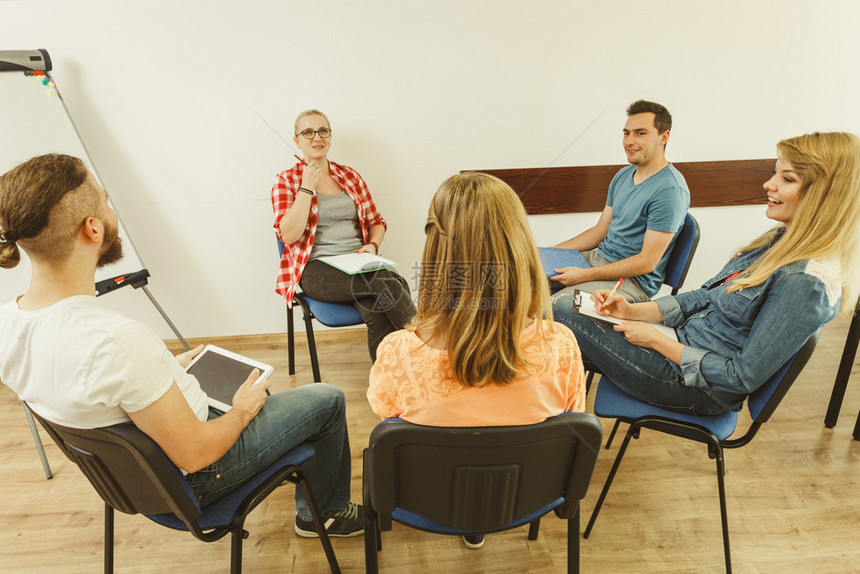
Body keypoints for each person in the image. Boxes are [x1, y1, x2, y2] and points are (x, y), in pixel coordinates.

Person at [0, 154, 363, 539]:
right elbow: (196, 454)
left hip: (131, 481)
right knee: (327, 399)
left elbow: (88, 387)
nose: (112, 211)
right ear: (92, 228)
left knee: (257, 387)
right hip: (198, 477)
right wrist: (240, 413)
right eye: (106, 202)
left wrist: (164, 369)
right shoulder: (118, 341)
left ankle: (292, 468)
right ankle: (322, 514)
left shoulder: (8, 322)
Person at [554, 132, 860, 415]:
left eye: (787, 178)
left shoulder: (806, 284)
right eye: (774, 173)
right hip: (679, 342)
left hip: (694, 386)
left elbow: (740, 379)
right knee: (559, 329)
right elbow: (705, 297)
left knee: (559, 312)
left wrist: (657, 341)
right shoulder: (779, 242)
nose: (770, 184)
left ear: (824, 196)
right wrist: (633, 310)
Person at [368, 172, 587, 549]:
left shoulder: (397, 353)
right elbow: (571, 419)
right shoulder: (561, 345)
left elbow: (386, 417)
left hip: (429, 500)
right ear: (519, 246)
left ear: (436, 250)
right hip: (526, 497)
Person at [272, 109, 413, 362]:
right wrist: (307, 186)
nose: (317, 138)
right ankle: (424, 350)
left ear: (330, 136)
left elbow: (376, 222)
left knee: (377, 304)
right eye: (308, 132)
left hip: (359, 261)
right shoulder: (286, 181)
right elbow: (289, 236)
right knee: (393, 282)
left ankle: (388, 382)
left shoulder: (350, 176)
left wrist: (371, 244)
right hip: (316, 269)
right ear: (297, 140)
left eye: (323, 131)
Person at [549, 100, 690, 303]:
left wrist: (582, 276)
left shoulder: (670, 190)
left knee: (556, 305)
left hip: (632, 282)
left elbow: (646, 262)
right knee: (519, 275)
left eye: (640, 133)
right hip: (598, 260)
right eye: (626, 133)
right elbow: (599, 231)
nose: (629, 141)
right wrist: (549, 253)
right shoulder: (623, 175)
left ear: (663, 137)